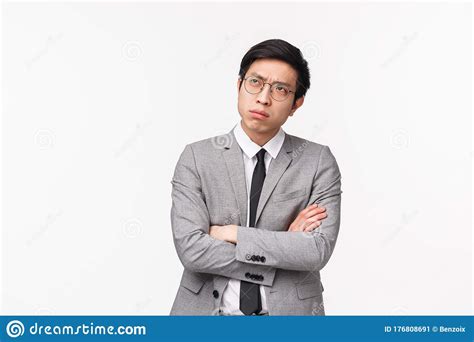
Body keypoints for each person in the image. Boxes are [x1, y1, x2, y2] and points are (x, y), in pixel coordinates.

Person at [170, 39, 342, 315]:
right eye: (255, 83)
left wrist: (232, 234)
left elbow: (316, 251)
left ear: (296, 103)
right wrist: (284, 245)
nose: (263, 97)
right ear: (239, 85)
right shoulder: (196, 157)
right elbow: (192, 251)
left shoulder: (318, 161)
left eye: (280, 89)